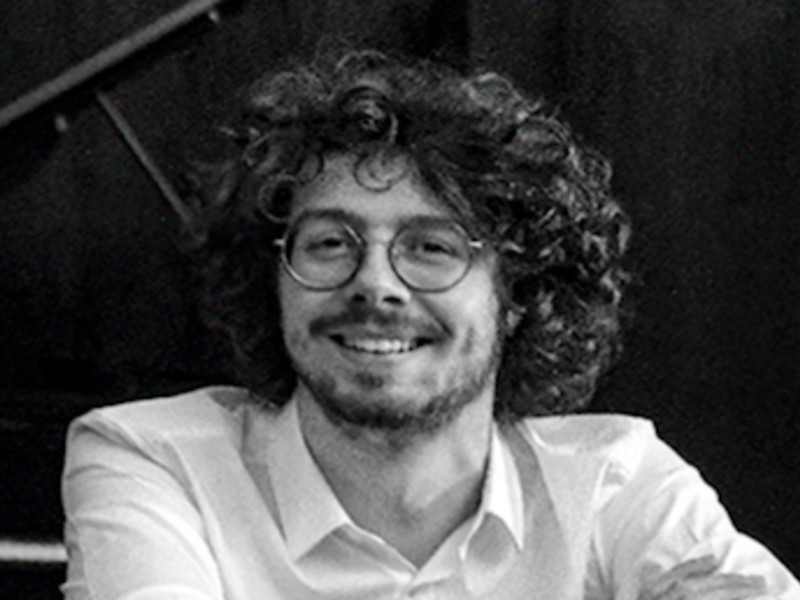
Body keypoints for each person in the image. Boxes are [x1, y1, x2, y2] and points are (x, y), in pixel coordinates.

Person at [61, 48, 799, 600]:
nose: (375, 284)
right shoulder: (155, 462)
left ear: (517, 292)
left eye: (431, 248)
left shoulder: (614, 479)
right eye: (329, 244)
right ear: (273, 280)